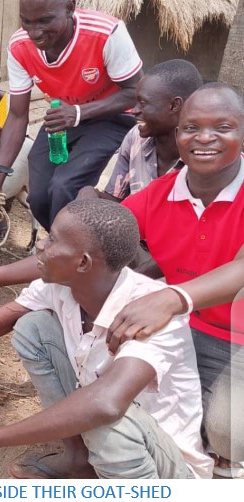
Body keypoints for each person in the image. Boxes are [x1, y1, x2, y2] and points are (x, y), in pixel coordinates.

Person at [0, 198, 212, 479]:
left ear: (82, 263)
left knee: (105, 418)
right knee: (33, 327)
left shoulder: (152, 313)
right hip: (112, 434)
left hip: (166, 467)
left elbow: (106, 404)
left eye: (52, 240)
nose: (40, 244)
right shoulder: (58, 287)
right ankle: (79, 460)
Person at [116, 83, 244, 478]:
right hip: (186, 329)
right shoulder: (158, 195)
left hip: (238, 339)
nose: (204, 138)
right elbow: (96, 236)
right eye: (192, 128)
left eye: (222, 127)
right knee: (106, 385)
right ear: (177, 134)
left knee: (229, 434)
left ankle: (224, 470)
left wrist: (170, 298)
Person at [0, 0, 143, 231]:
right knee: (39, 195)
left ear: (70, 7)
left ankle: (65, 254)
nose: (34, 32)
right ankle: (61, 244)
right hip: (64, 114)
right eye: (26, 21)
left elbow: (135, 92)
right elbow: (16, 115)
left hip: (113, 116)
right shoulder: (19, 46)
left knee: (65, 185)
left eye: (45, 20)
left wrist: (78, 113)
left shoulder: (106, 33)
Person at [80, 59, 203, 201]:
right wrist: (88, 193)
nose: (134, 111)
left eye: (143, 103)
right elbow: (114, 201)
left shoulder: (204, 155)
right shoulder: (135, 137)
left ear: (174, 105)